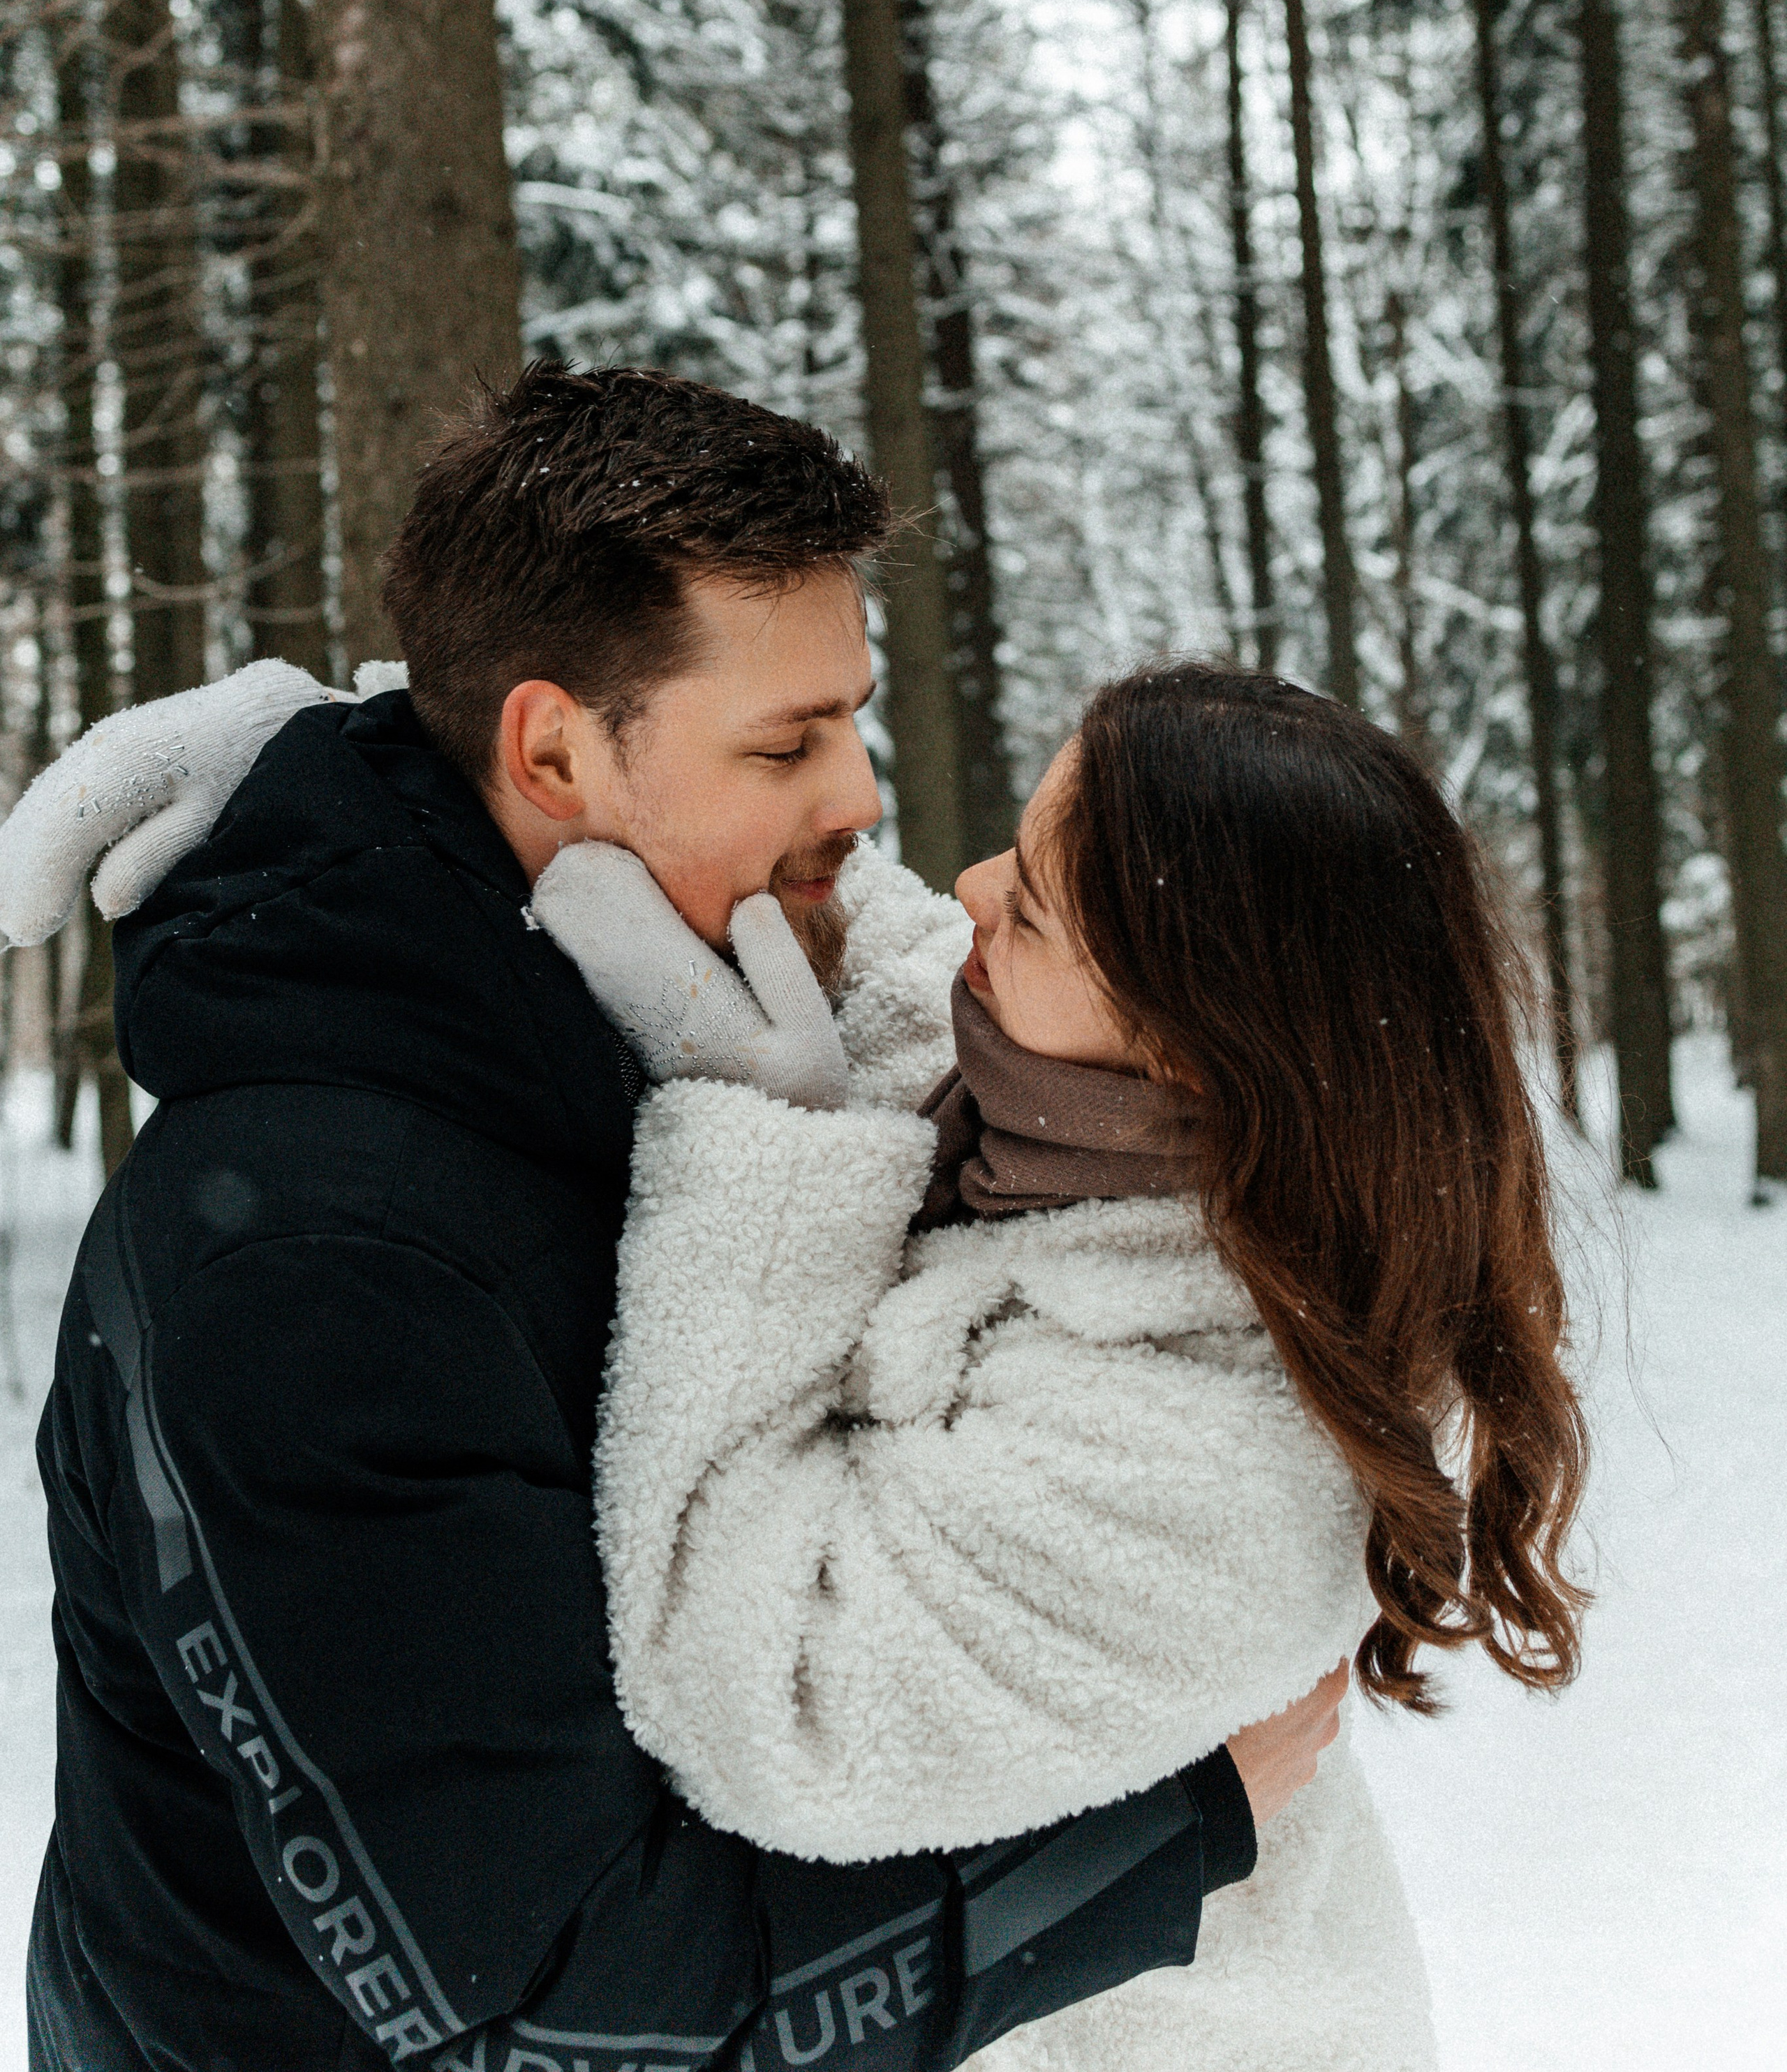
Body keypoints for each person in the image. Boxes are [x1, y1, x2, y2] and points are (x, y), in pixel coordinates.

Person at [2, 366, 1342, 2072]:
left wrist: (328, 757)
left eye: (849, 714)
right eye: (785, 743)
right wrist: (1153, 1838)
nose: (860, 802)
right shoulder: (313, 1275)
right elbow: (543, 2001)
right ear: (551, 747)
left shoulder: (660, 998)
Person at [521, 665, 1591, 2072]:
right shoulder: (1043, 1089)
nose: (965, 887)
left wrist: (760, 1154)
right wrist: (335, 776)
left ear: (1195, 1041)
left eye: (1028, 903)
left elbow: (758, 1703)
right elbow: (841, 910)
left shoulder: (1213, 1464)